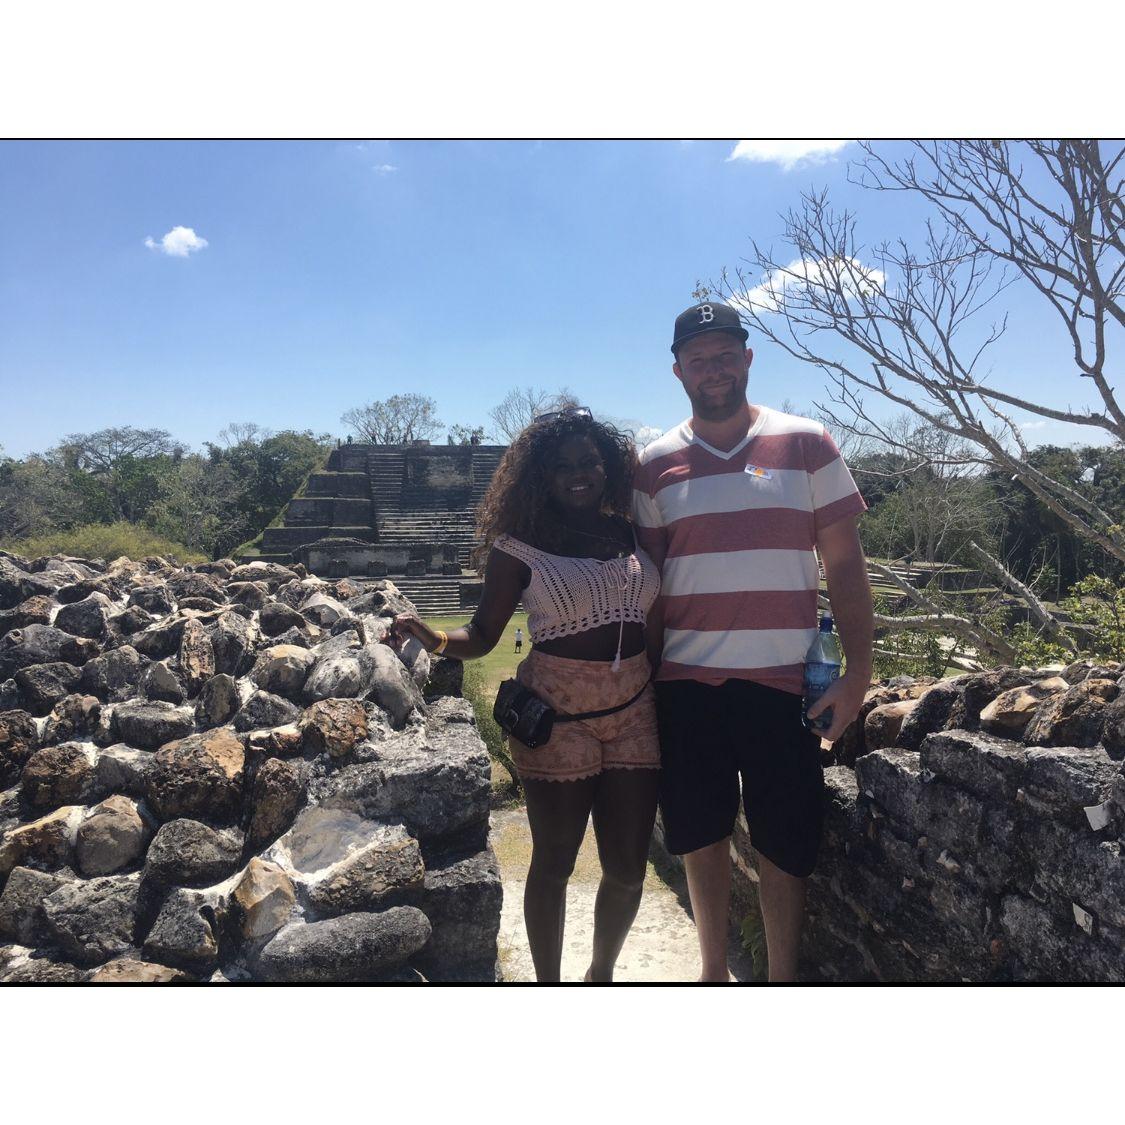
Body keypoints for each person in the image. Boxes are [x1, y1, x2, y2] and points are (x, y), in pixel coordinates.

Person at [633, 301, 873, 983]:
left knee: (783, 843)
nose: (711, 370)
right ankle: (712, 972)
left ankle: (780, 979)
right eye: (697, 359)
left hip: (782, 682)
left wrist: (857, 675)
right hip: (685, 685)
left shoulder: (806, 443)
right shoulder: (653, 465)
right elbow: (647, 585)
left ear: (747, 357)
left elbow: (845, 565)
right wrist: (640, 683)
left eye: (723, 354)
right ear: (677, 370)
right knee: (698, 836)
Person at [391, 409, 662, 982]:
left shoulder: (630, 531)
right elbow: (485, 635)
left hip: (636, 708)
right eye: (561, 466)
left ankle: (602, 975)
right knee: (555, 863)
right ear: (541, 475)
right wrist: (433, 636)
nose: (578, 474)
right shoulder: (518, 547)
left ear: (607, 465)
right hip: (557, 719)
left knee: (628, 869)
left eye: (589, 461)